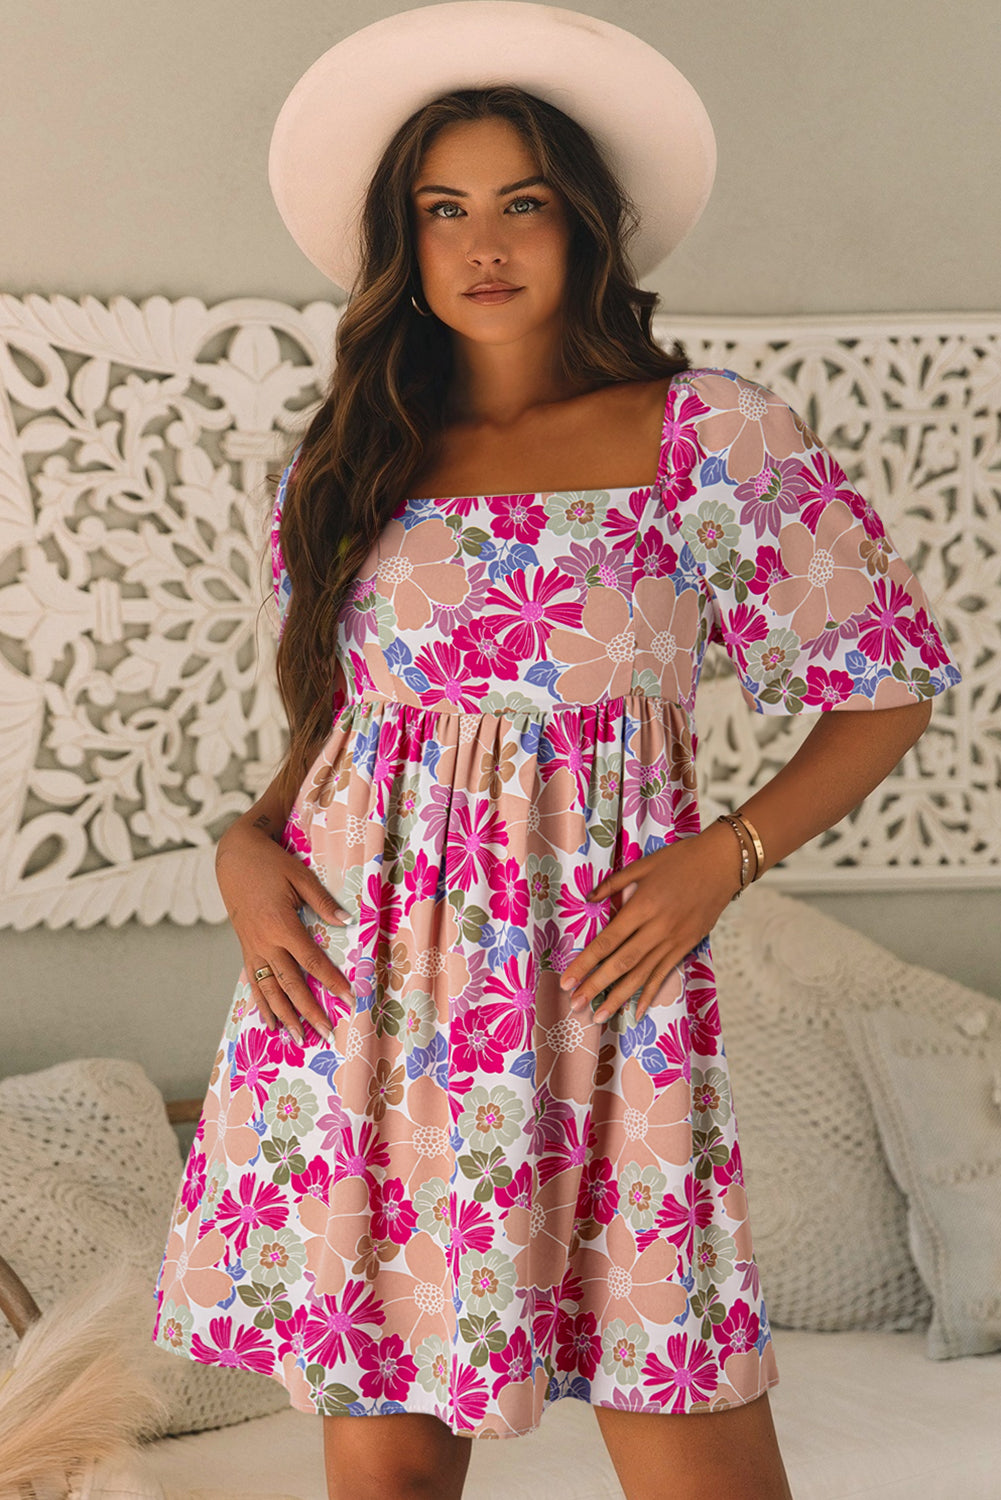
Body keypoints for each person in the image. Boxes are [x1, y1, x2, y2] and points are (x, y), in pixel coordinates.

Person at [152, 7, 961, 1499]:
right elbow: (340, 733)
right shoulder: (351, 457)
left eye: (520, 202)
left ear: (583, 224)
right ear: (401, 239)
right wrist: (241, 849)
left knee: (695, 1447)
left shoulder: (708, 436)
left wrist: (724, 859)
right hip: (368, 996)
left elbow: (885, 688)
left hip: (602, 989)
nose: (483, 244)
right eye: (441, 208)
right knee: (388, 1470)